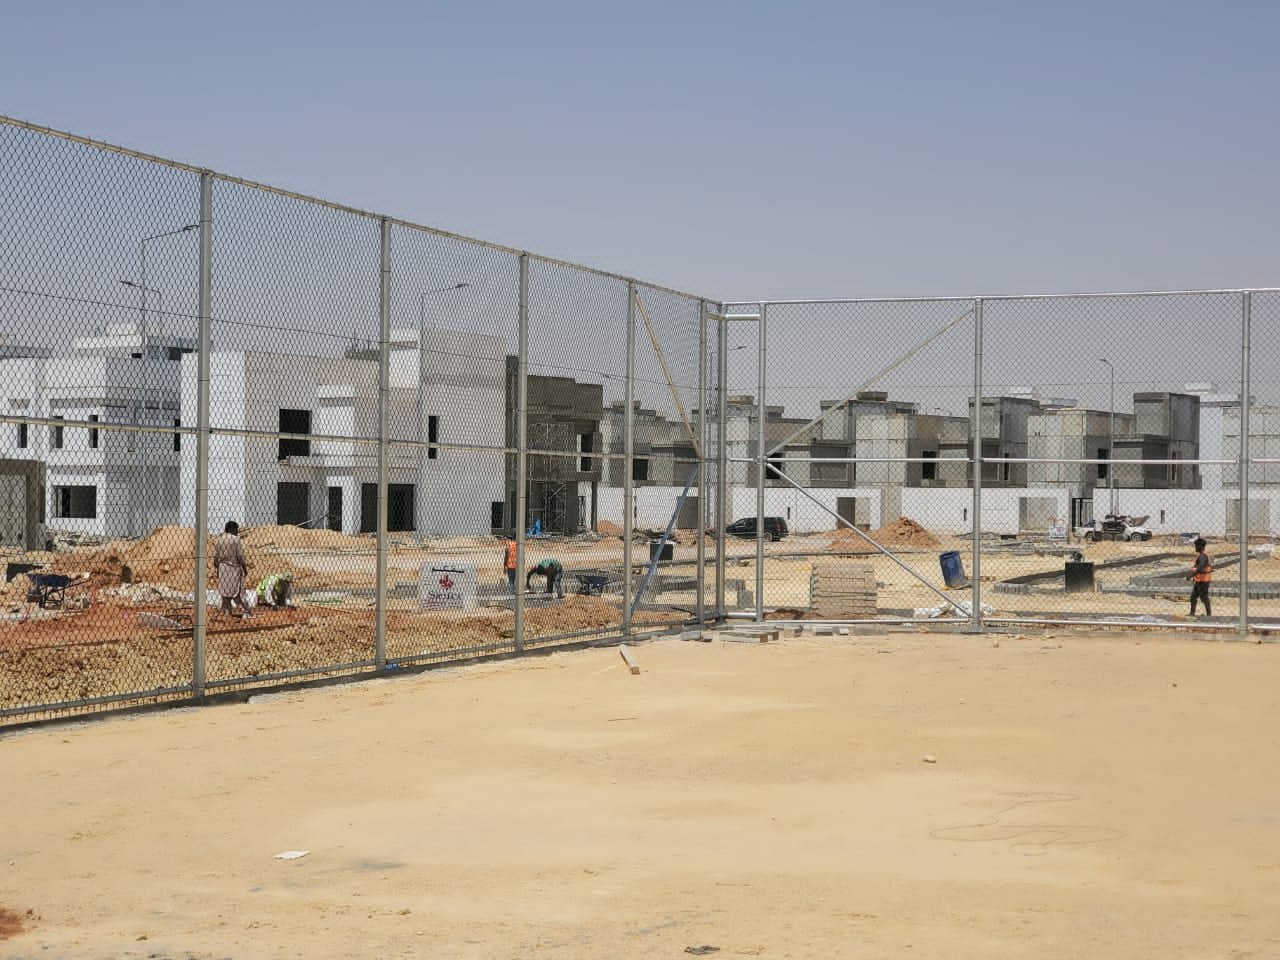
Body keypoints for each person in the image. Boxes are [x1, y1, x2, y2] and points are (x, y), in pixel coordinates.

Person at [213, 520, 250, 619]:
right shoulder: (236, 539)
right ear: (231, 529)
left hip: (223, 568)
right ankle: (245, 611)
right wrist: (244, 568)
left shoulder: (219, 540)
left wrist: (218, 568)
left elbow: (216, 558)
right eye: (236, 529)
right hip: (234, 568)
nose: (237, 531)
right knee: (237, 592)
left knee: (225, 592)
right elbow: (240, 556)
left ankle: (228, 612)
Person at [1187, 537, 1213, 617]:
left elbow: (1200, 567)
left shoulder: (1203, 556)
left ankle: (1209, 615)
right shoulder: (1202, 556)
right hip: (1199, 580)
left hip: (1203, 581)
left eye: (1196, 546)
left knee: (1204, 598)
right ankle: (1192, 613)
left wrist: (1191, 575)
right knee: (1193, 597)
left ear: (1200, 546)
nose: (1195, 547)